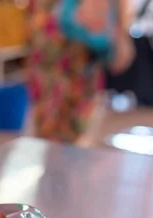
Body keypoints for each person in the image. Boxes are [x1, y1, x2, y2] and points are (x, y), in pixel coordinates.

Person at [28, 0, 134, 142]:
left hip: (75, 50)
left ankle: (60, 156)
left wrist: (121, 33)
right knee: (54, 124)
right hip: (57, 46)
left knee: (69, 125)